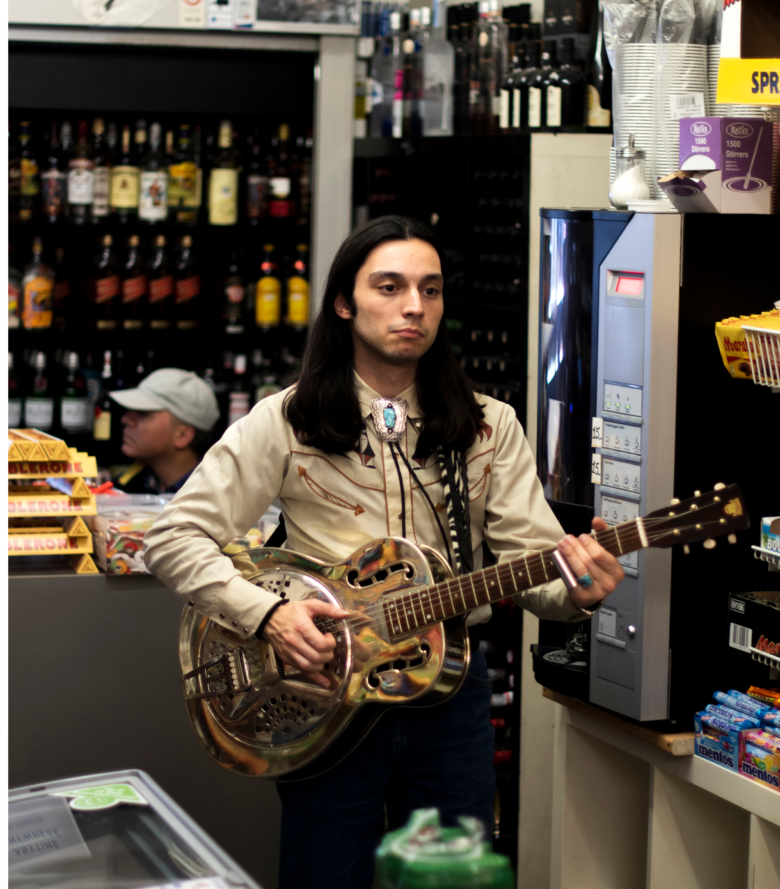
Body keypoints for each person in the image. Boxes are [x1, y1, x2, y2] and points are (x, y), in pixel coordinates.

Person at [143, 216, 623, 889]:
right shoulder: (287, 420)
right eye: (390, 287)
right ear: (345, 302)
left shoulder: (489, 426)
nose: (414, 307)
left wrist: (578, 590)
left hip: (450, 698)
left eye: (430, 290)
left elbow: (536, 567)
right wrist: (267, 615)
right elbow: (172, 537)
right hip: (324, 689)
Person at [107, 368, 219, 495]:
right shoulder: (125, 488)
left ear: (183, 435)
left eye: (143, 414)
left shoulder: (215, 497)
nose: (126, 419)